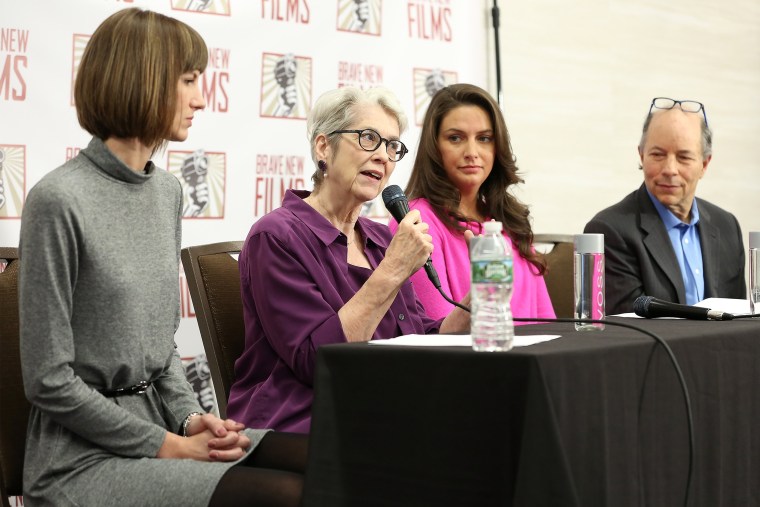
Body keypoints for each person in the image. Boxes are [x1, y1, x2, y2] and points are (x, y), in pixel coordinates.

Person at [18, 9, 305, 506]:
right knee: (285, 494)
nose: (201, 98)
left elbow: (160, 348)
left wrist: (194, 421)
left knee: (332, 462)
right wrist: (169, 446)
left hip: (163, 435)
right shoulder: (57, 200)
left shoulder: (166, 191)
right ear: (145, 80)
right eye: (190, 80)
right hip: (77, 461)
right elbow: (48, 380)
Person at [227, 86, 471, 433]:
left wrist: (478, 300)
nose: (384, 157)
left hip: (384, 408)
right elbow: (319, 361)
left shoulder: (381, 237)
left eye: (392, 146)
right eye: (368, 138)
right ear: (324, 146)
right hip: (303, 419)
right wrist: (395, 268)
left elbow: (419, 335)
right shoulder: (277, 236)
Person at [389, 83, 555, 321]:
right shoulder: (417, 221)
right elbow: (439, 334)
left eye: (484, 138)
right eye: (456, 138)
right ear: (435, 147)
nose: (472, 151)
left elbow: (548, 321)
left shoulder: (510, 220)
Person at [584, 97, 746, 315]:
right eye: (658, 154)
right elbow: (632, 329)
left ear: (704, 164)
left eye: (684, 157)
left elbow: (740, 318)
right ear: (641, 156)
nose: (670, 169)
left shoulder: (727, 226)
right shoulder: (610, 230)